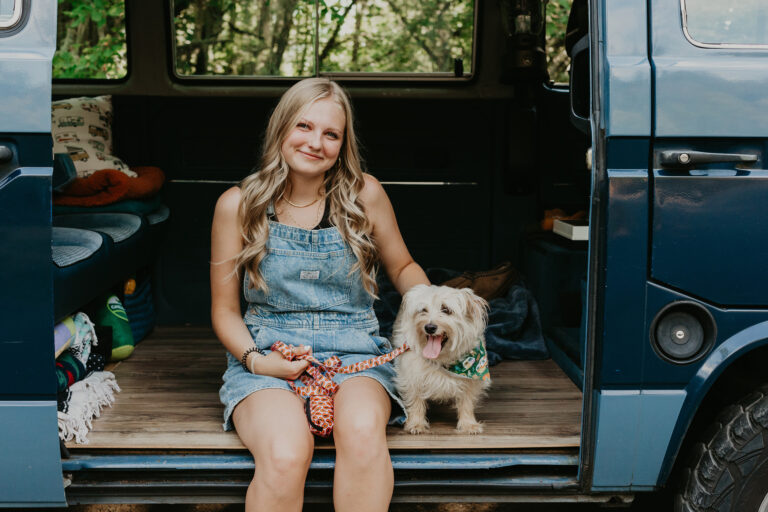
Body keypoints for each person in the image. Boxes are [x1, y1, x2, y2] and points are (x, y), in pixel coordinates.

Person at [210, 77, 429, 512]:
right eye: (304, 127)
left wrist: (433, 304)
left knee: (364, 434)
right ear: (281, 129)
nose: (316, 142)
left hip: (355, 349)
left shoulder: (364, 194)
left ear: (343, 144)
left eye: (331, 134)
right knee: (286, 453)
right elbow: (225, 311)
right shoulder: (237, 204)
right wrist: (258, 360)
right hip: (268, 352)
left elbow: (402, 267)